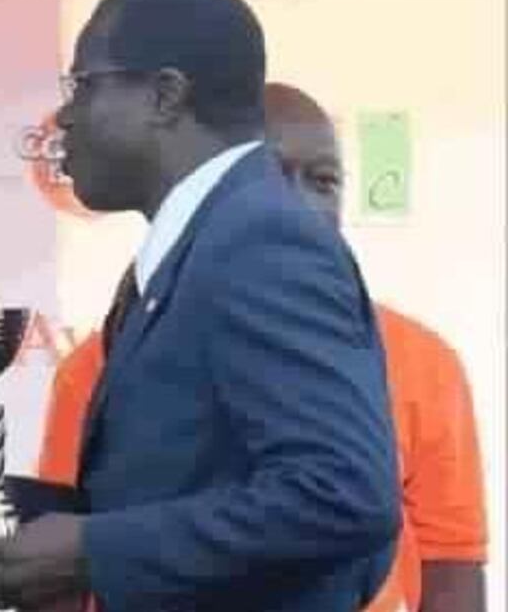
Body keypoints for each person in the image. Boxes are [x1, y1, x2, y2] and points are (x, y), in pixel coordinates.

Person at [0, 0, 402, 611]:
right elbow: (171, 493)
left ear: (164, 96)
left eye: (84, 86)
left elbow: (342, 494)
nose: (65, 117)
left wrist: (92, 551)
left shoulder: (260, 239)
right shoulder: (203, 240)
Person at [34, 81, 489, 612]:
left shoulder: (423, 361)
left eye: (323, 180)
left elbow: (451, 564)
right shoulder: (97, 368)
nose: (296, 204)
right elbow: (58, 569)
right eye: (266, 178)